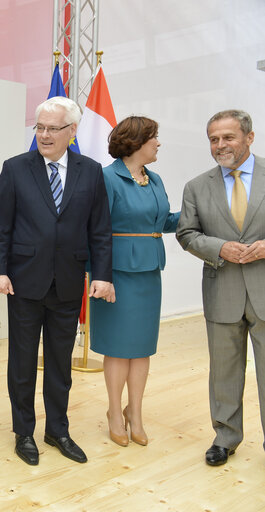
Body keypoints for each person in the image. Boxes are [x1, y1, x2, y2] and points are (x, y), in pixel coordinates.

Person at [0, 96, 114, 466]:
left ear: (72, 132)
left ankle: (57, 430)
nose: (44, 135)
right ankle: (23, 432)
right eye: (39, 127)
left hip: (68, 283)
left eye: (52, 128)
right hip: (24, 282)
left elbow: (100, 231)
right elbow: (0, 228)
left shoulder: (91, 171)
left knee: (61, 362)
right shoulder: (15, 168)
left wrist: (102, 275)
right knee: (23, 362)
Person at [177, 109, 265, 467]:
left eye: (227, 137)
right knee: (224, 371)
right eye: (213, 139)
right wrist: (219, 248)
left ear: (249, 137)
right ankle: (225, 438)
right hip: (221, 291)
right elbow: (186, 234)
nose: (219, 145)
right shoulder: (197, 186)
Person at [89, 116, 179, 447]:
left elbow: (164, 221)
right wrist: (100, 275)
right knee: (117, 347)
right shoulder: (107, 178)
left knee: (141, 348)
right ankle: (114, 412)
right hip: (115, 275)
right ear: (136, 142)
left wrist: (197, 214)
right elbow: (95, 231)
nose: (158, 143)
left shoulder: (153, 179)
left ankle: (135, 413)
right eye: (154, 137)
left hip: (148, 272)